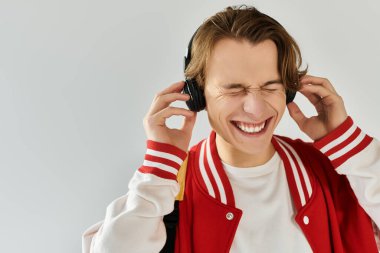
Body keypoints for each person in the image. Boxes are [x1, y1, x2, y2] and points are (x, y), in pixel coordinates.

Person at [82, 5, 380, 253]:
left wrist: (348, 142)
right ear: (198, 94)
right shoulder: (169, 189)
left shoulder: (340, 171)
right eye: (233, 89)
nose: (255, 108)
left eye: (269, 87)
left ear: (288, 91)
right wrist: (161, 166)